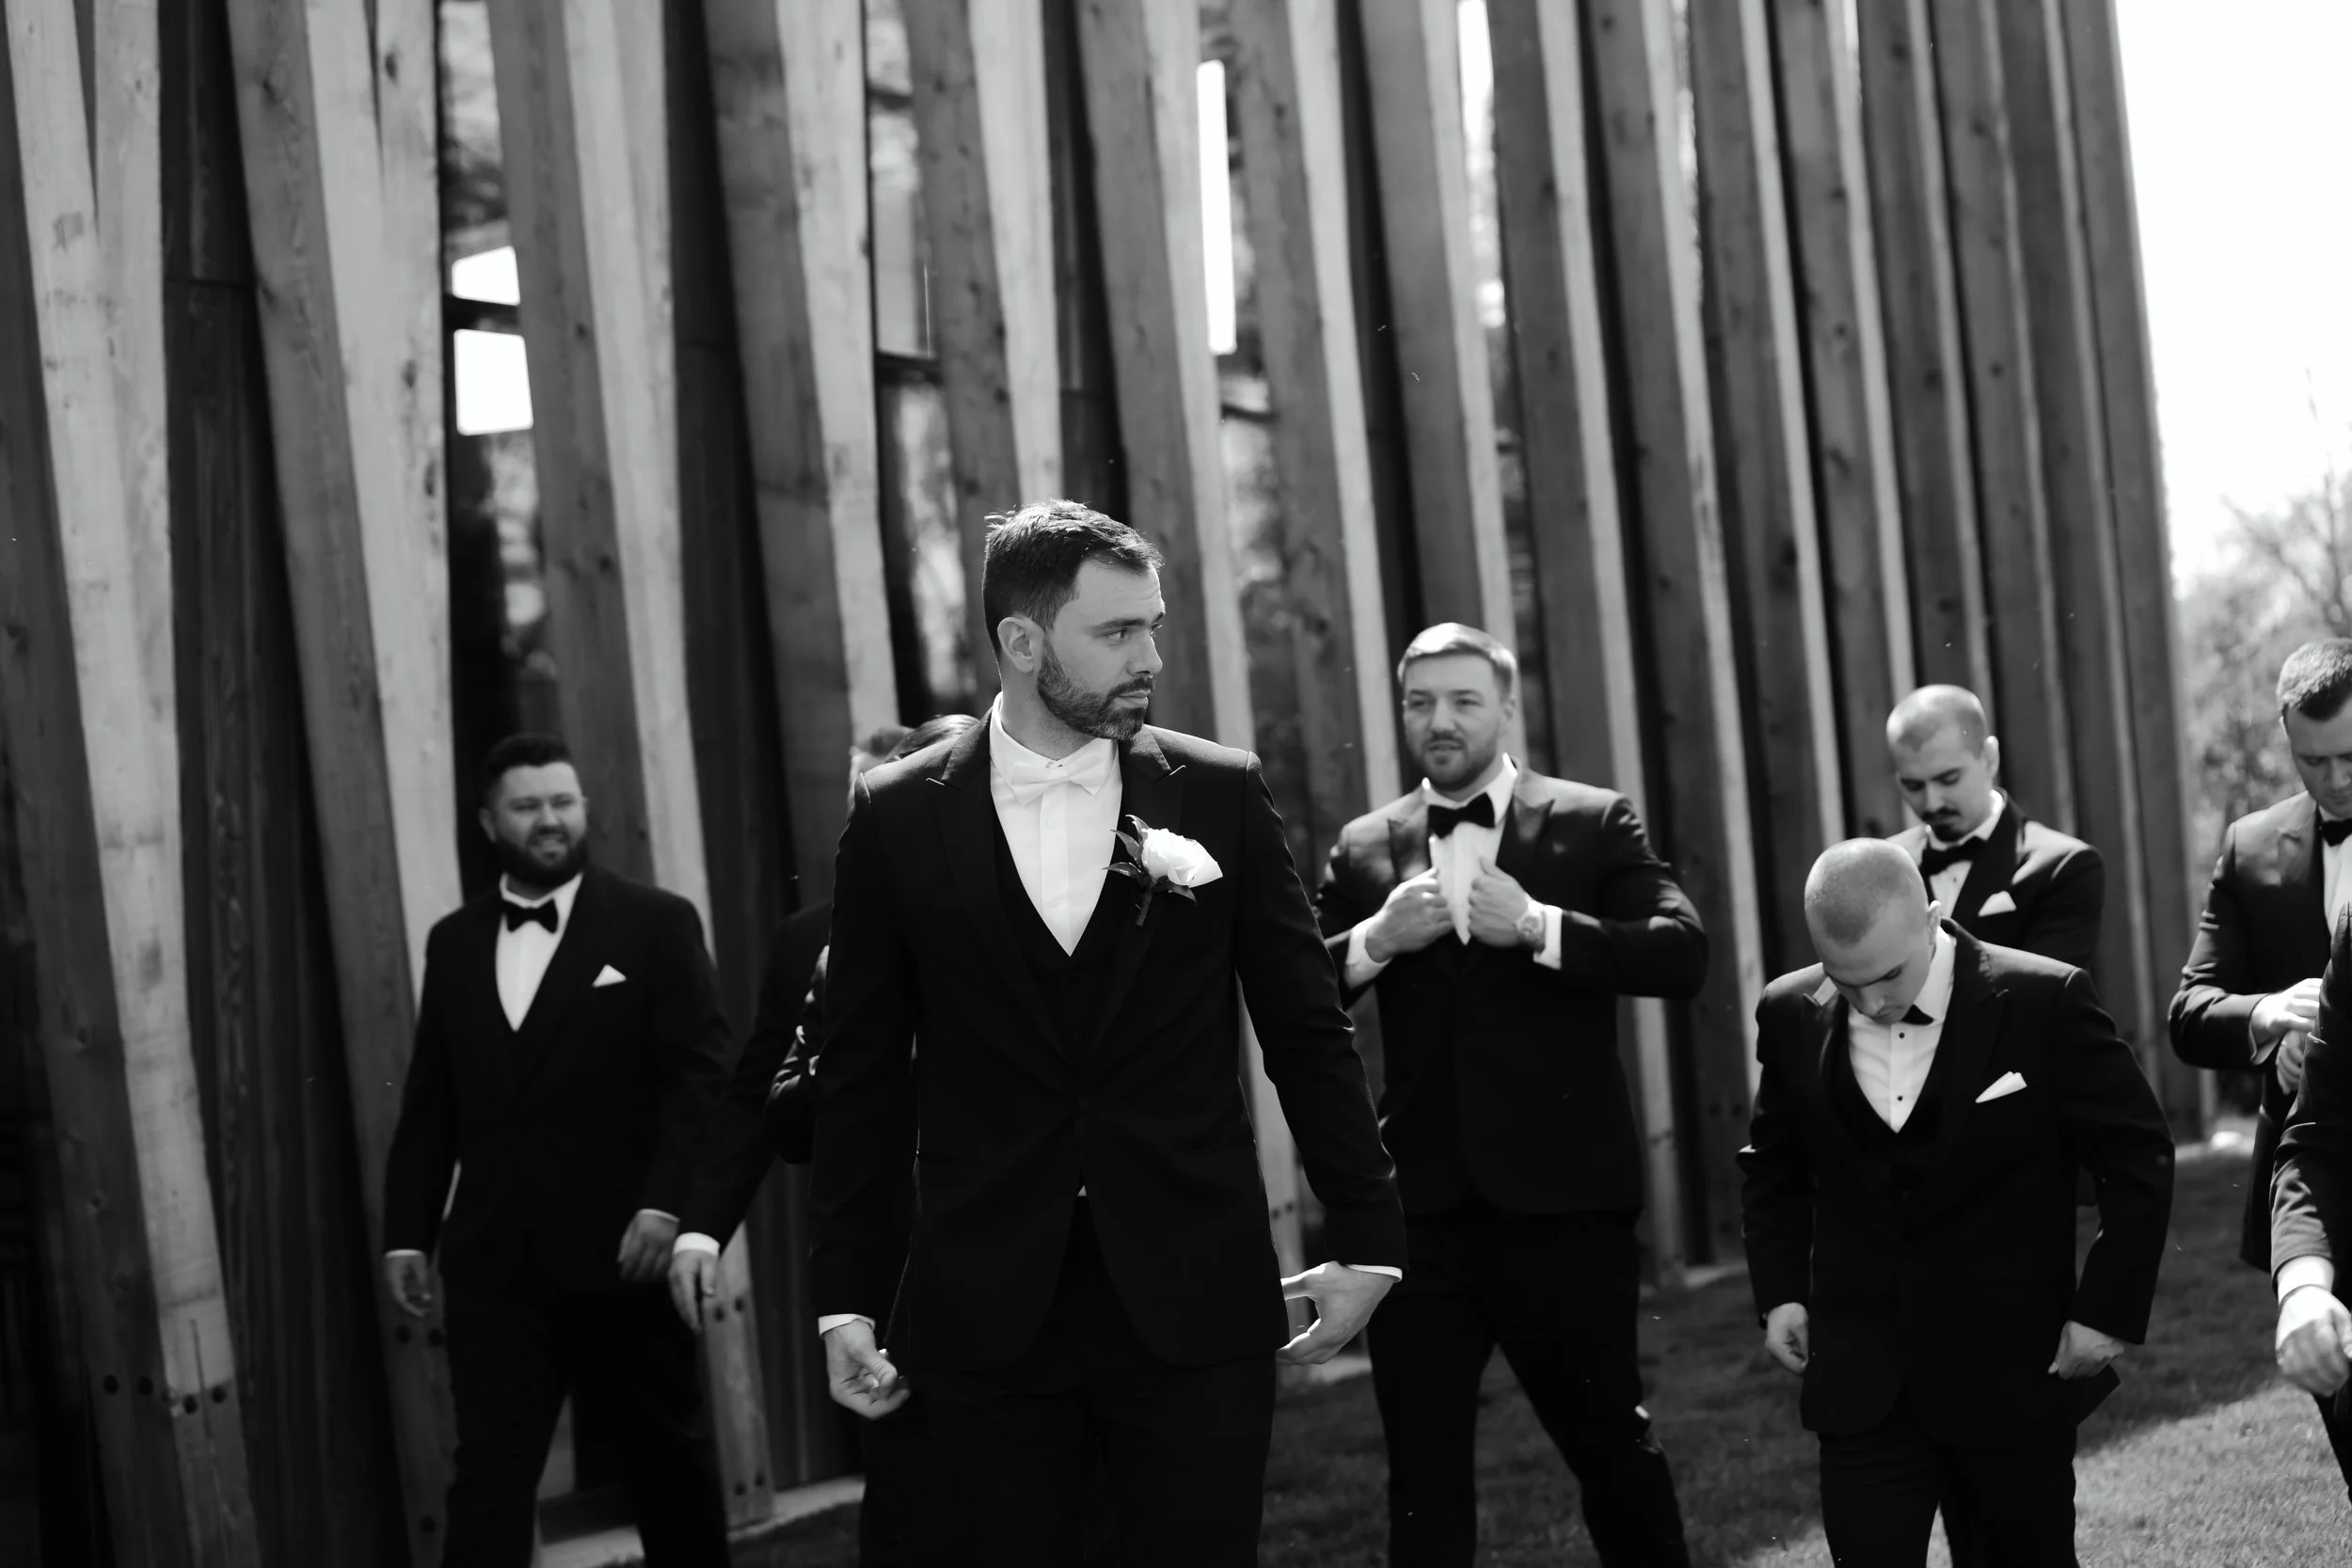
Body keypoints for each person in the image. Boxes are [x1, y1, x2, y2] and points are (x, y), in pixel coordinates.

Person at [809, 499, 1406, 1565]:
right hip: (985, 1305)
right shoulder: (896, 816)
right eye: (1119, 632)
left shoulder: (1216, 792)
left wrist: (1366, 1235)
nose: (1152, 658)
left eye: (1154, 626)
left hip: (1193, 1294)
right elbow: (856, 1074)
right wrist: (843, 1299)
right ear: (1024, 643)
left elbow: (1305, 1028)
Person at [1312, 622, 1702, 1567]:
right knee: (1422, 1471)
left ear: (1505, 707)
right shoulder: (1366, 844)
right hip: (1422, 1219)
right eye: (1419, 702)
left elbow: (1681, 950)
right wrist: (1374, 940)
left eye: (1461, 700)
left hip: (1564, 1205)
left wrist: (1538, 924)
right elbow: (1294, 990)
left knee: (1609, 1443)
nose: (1438, 721)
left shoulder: (1591, 818)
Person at [1740, 840, 2172, 1566]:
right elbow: (1773, 1164)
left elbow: (2137, 1155)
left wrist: (2106, 1308)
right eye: (1846, 985)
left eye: (1886, 975)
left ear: (1934, 918)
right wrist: (1780, 1291)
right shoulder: (1790, 1009)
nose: (1872, 1004)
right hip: (1862, 1379)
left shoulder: (2044, 999)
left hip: (2009, 1369)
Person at [380, 734, 732, 1567]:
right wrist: (407, 1230)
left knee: (665, 1469)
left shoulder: (654, 923)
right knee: (492, 1475)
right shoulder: (454, 942)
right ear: (487, 820)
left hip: (627, 1260)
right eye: (528, 805)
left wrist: (666, 1204)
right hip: (495, 1267)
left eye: (563, 801)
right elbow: (431, 1105)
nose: (550, 819)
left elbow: (703, 1082)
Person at [669, 713, 978, 1566]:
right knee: (909, 1504)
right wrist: (702, 1222)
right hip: (891, 1261)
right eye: (864, 799)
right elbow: (768, 1105)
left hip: (1020, 1246)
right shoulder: (815, 942)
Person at [2191, 638, 2352, 1494]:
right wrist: (2266, 1014)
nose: (2335, 780)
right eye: (2312, 759)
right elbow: (2189, 1010)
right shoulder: (2252, 848)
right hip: (2320, 1187)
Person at [1884, 685, 2103, 971]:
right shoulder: (1884, 866)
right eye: (1913, 786)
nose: (1932, 802)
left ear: (1989, 758)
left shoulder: (2063, 866)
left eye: (1948, 779)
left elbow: (2045, 998)